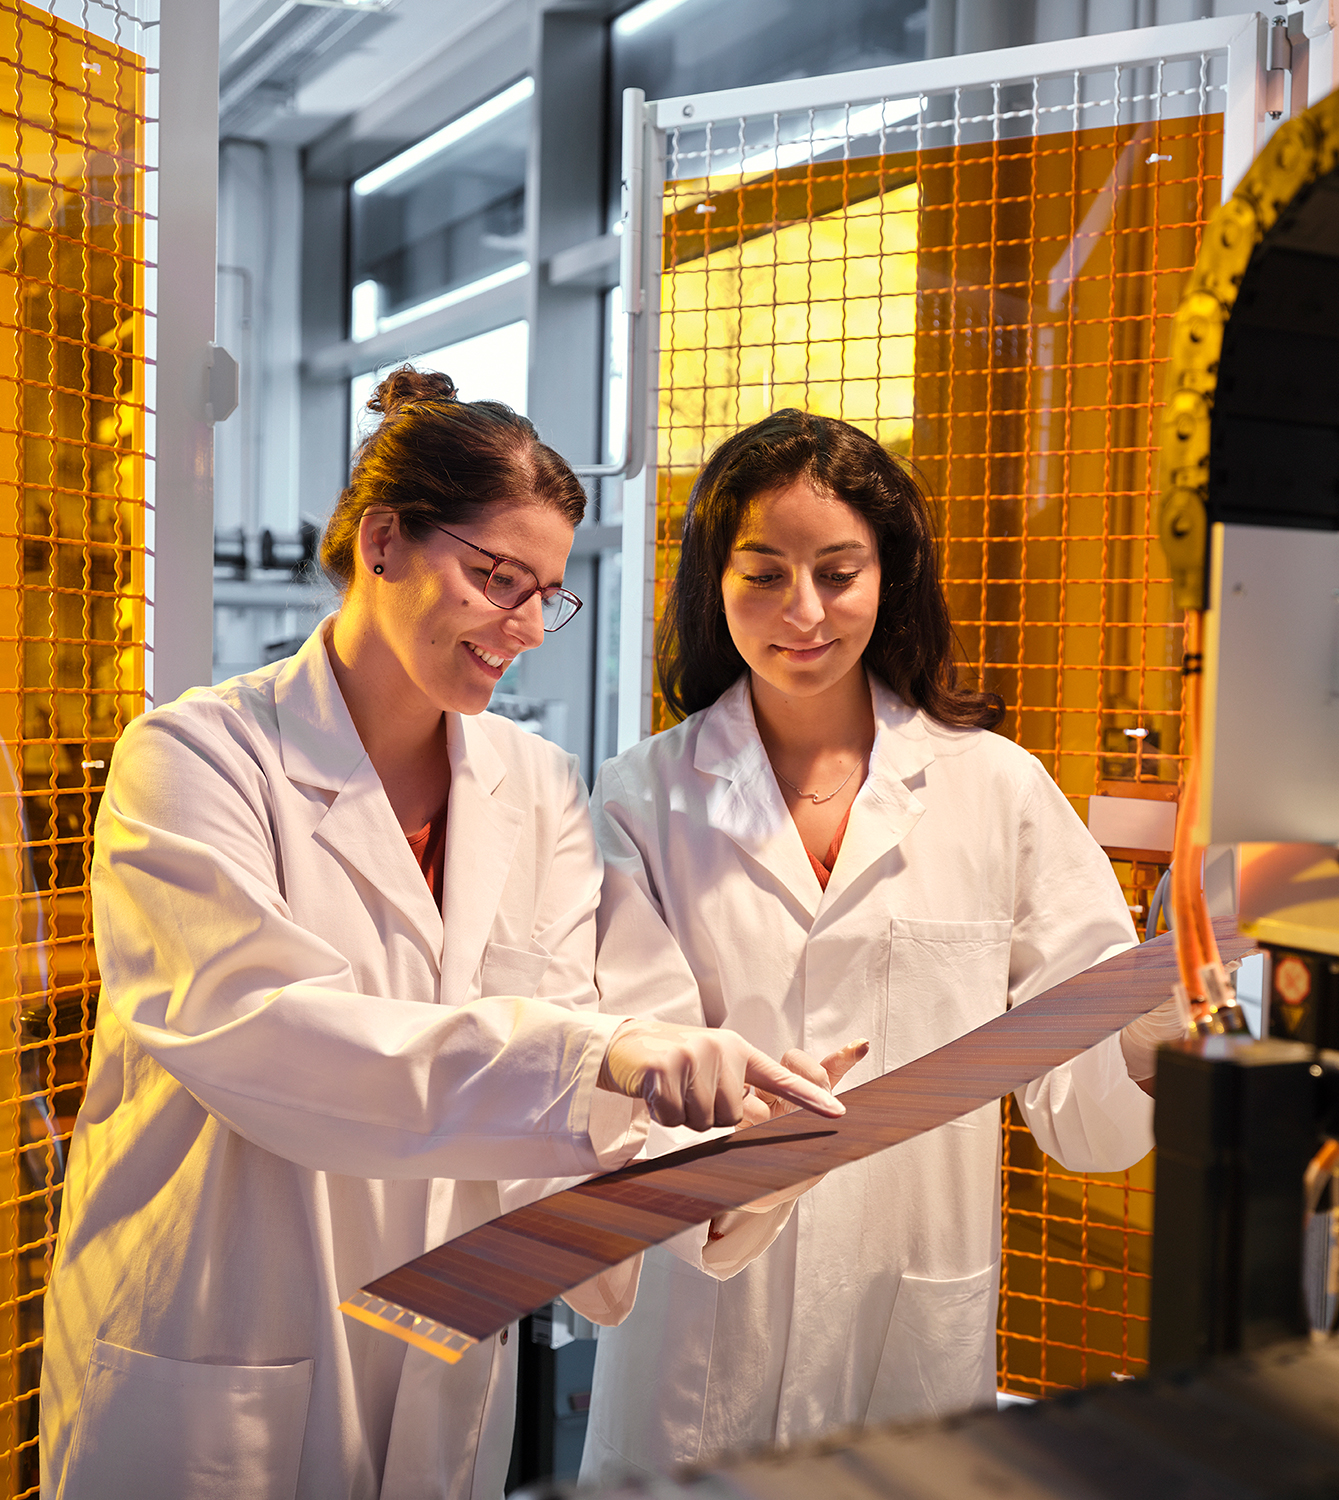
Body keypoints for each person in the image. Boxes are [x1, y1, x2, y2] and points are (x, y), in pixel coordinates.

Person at [38, 370, 840, 1500]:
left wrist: (721, 1156)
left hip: (436, 1350)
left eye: (546, 594)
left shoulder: (539, 788)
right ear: (382, 542)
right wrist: (602, 1056)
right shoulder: (196, 761)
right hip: (218, 1330)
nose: (524, 627)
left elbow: (557, 1072)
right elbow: (269, 1039)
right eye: (494, 578)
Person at [581, 409, 1182, 1478]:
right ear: (712, 587)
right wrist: (737, 1120)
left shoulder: (994, 790)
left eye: (838, 571)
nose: (803, 611)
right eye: (762, 573)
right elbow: (621, 1072)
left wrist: (1158, 1023)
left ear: (889, 576)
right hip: (706, 1313)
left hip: (906, 1317)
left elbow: (1083, 1105)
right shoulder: (642, 802)